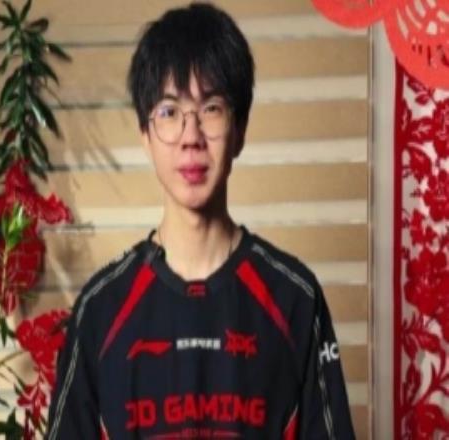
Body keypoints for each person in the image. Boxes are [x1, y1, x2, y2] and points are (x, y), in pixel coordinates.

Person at [46, 3, 356, 439]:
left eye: (211, 108)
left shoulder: (295, 298)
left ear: (240, 129)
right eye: (169, 112)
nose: (190, 138)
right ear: (145, 135)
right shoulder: (101, 310)